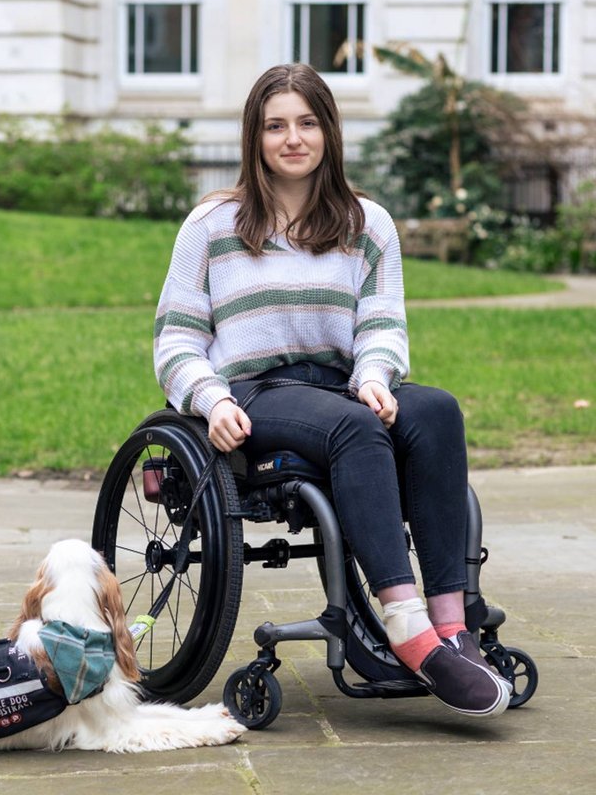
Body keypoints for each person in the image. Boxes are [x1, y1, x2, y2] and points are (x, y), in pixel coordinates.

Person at [154, 63, 511, 718]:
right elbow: (175, 339)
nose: (293, 138)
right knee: (356, 428)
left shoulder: (366, 222)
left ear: (329, 132)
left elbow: (382, 323)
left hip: (341, 389)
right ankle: (405, 628)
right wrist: (213, 400)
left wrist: (375, 377)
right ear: (254, 137)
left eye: (307, 123)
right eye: (275, 125)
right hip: (256, 393)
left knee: (435, 410)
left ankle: (453, 626)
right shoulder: (211, 224)